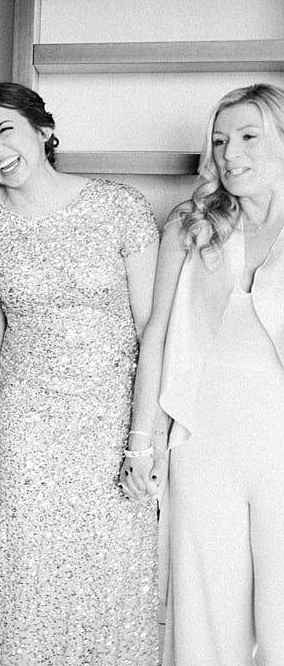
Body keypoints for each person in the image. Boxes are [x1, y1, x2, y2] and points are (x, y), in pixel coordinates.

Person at [0, 83, 159, 664]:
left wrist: (144, 441)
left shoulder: (120, 209)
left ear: (43, 130)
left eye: (5, 130)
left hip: (112, 426)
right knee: (27, 579)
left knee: (111, 581)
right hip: (28, 427)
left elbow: (152, 334)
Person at [123, 83, 284, 665]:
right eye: (219, 141)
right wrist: (143, 441)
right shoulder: (191, 226)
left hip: (280, 443)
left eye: (247, 136)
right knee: (203, 612)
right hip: (202, 440)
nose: (229, 153)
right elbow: (158, 334)